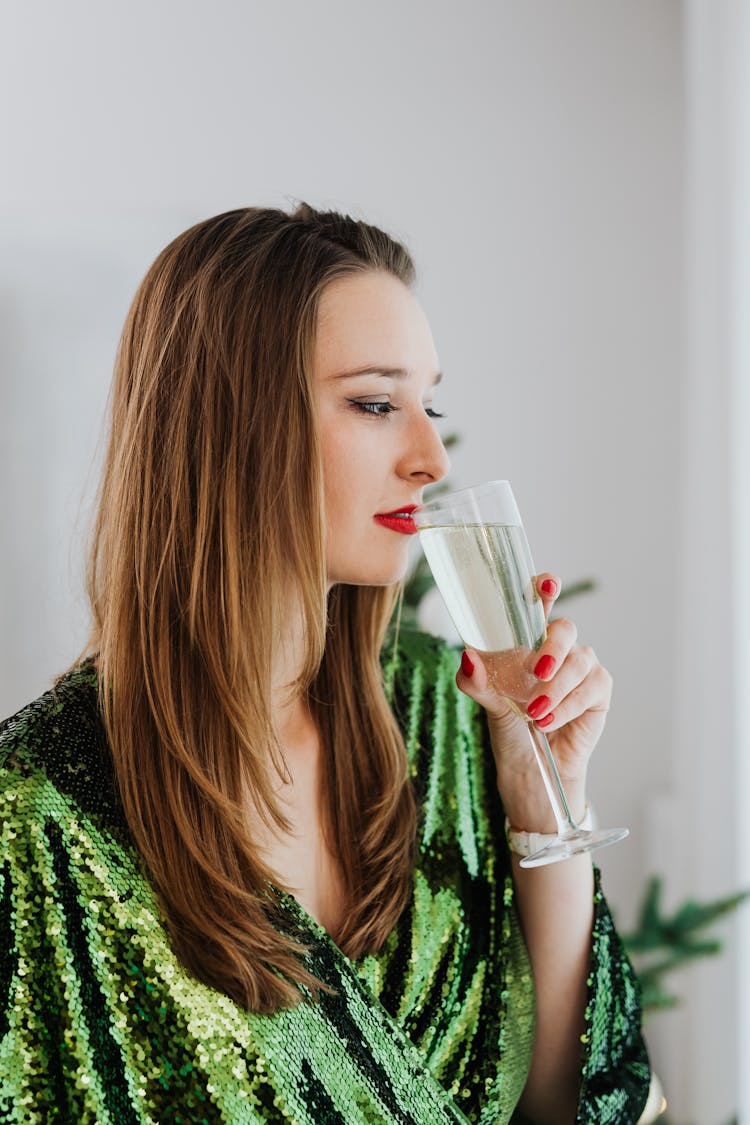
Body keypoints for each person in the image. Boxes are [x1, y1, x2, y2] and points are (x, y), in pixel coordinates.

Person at [0, 205, 650, 1124]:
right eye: (377, 404)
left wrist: (545, 797)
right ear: (227, 420)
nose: (429, 456)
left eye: (432, 405)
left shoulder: (447, 704)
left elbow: (564, 1100)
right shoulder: (44, 812)